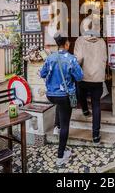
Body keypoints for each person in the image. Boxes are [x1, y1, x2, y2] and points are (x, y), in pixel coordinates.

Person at [40, 33, 83, 166]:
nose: (69, 44)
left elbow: (42, 73)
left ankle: (56, 127)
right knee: (66, 124)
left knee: (59, 107)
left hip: (51, 95)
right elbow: (80, 76)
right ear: (66, 44)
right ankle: (60, 155)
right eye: (69, 43)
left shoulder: (50, 57)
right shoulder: (71, 59)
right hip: (64, 96)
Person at [74, 29, 107, 144]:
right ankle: (96, 136)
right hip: (98, 77)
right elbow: (104, 59)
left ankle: (85, 110)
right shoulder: (102, 41)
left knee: (80, 91)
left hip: (84, 76)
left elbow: (78, 59)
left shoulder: (80, 40)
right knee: (96, 104)